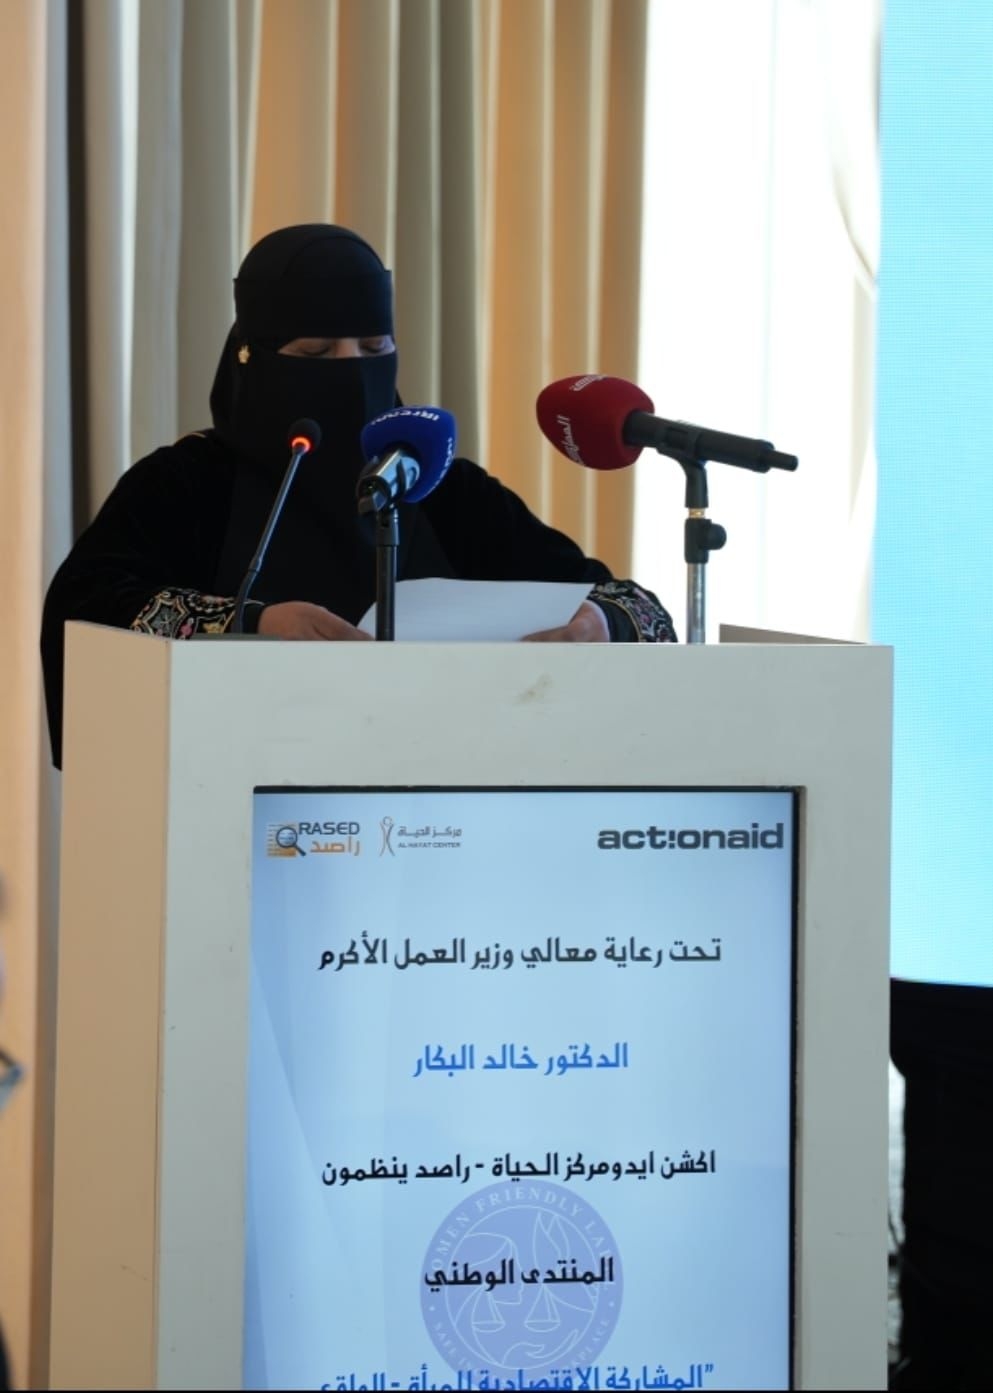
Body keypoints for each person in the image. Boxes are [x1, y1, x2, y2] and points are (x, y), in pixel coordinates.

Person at [41, 224, 676, 767]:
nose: (351, 374)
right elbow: (89, 612)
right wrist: (253, 623)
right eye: (315, 353)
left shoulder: (442, 486)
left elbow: (634, 606)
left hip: (444, 804)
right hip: (224, 802)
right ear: (251, 359)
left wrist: (600, 624)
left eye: (374, 349)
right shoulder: (187, 483)